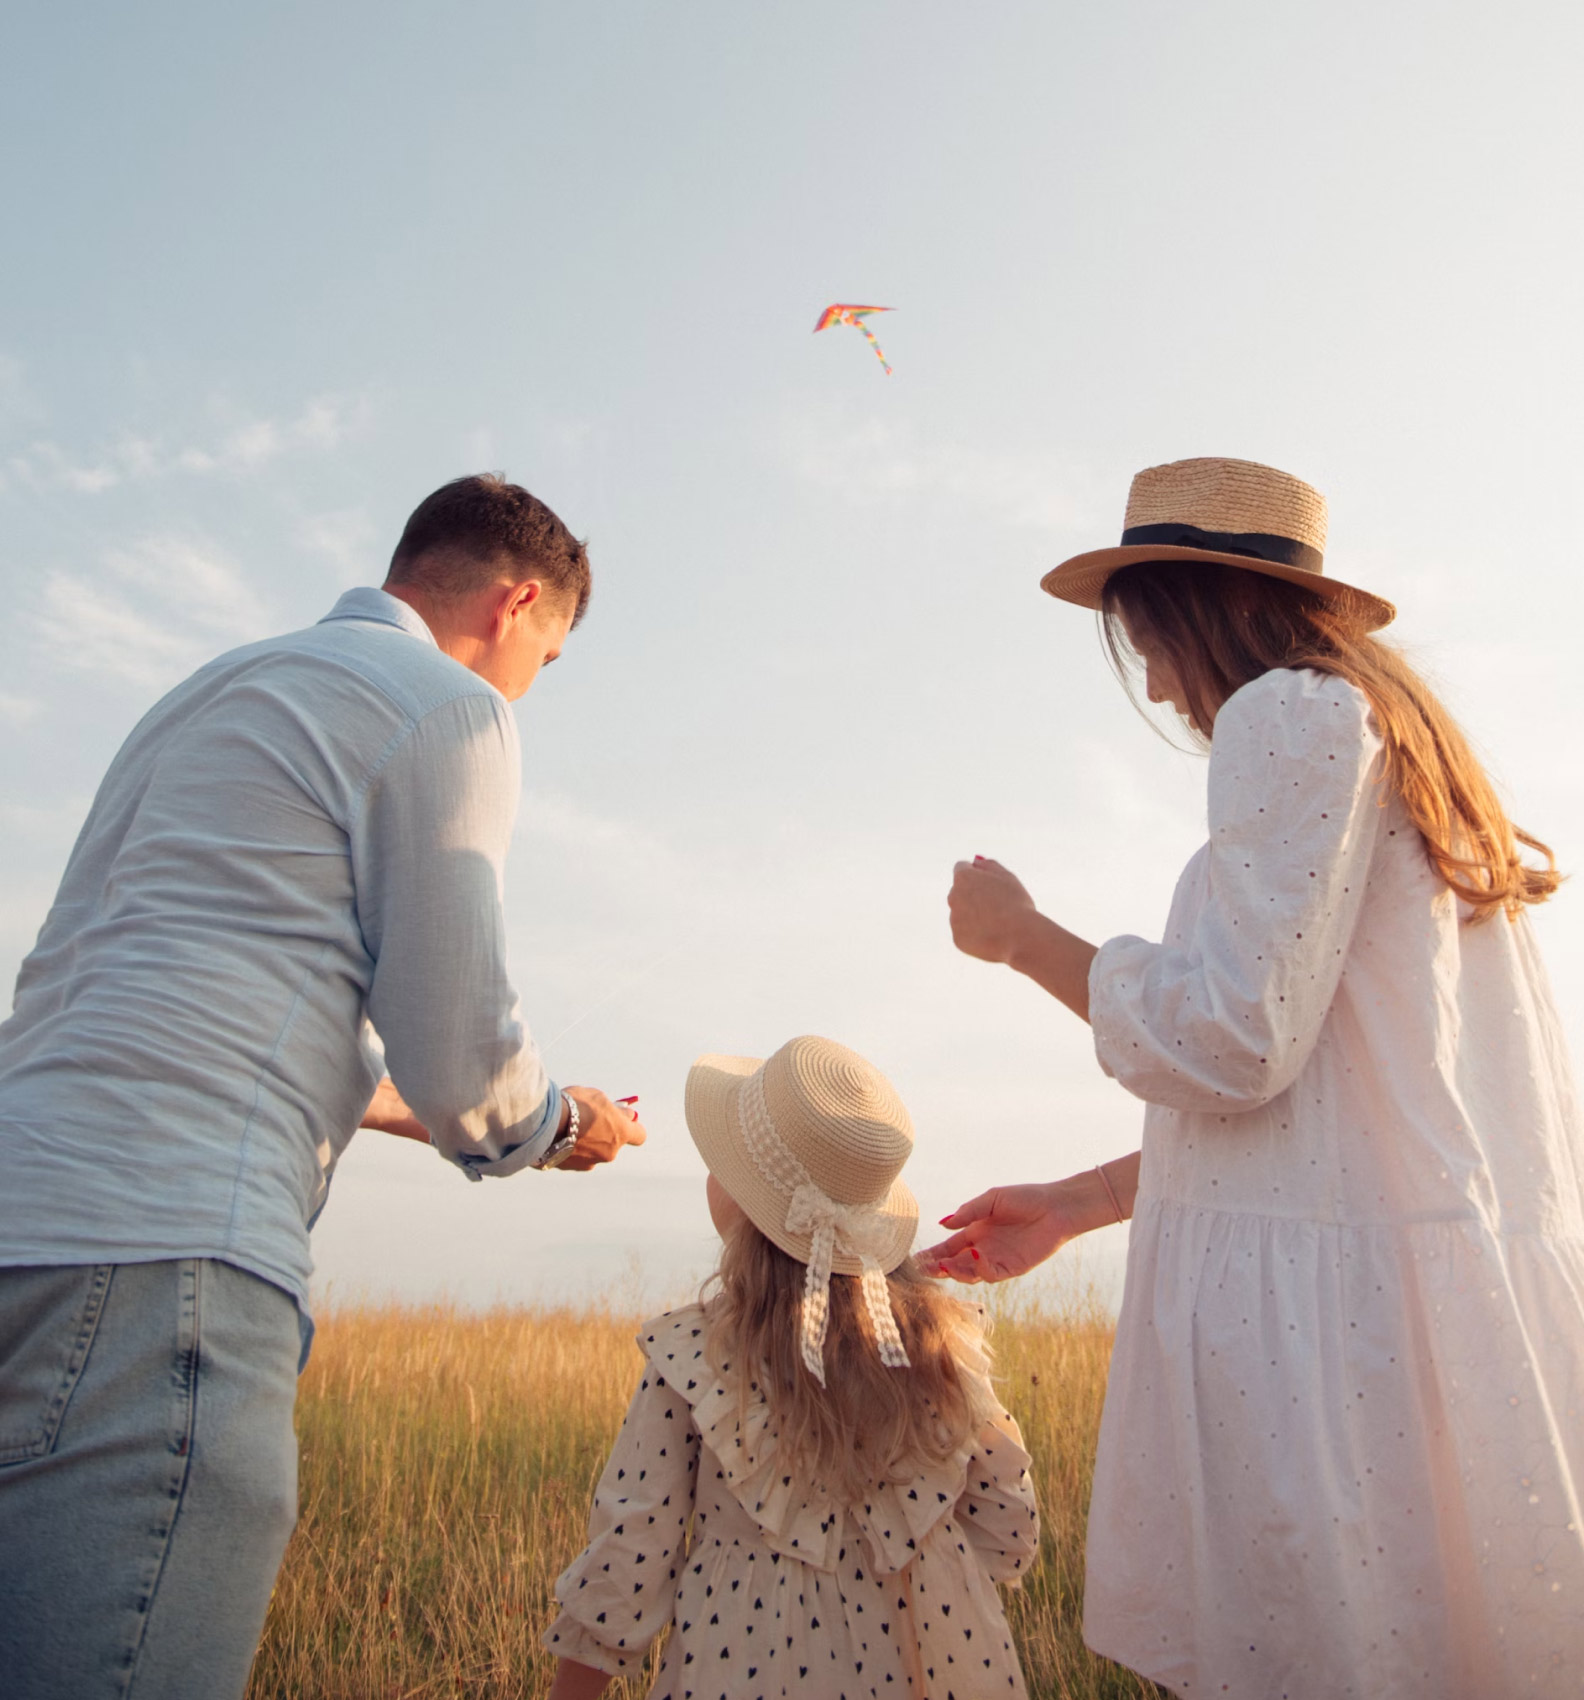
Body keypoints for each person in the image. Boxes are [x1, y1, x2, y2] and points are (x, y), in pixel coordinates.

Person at [922, 456, 1584, 1699]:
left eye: (1144, 641)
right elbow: (1334, 1105)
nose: (1159, 684)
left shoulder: (1287, 714)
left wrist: (1024, 937)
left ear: (1185, 608)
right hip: (1384, 1328)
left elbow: (1237, 1038)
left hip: (1317, 1363)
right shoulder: (1385, 747)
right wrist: (1079, 1199)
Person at [0, 474, 646, 1700]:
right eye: (548, 658)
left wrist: (415, 1110)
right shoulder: (447, 707)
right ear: (517, 605)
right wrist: (563, 1121)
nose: (530, 688)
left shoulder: (202, 696)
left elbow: (202, 1014)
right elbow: (465, 1064)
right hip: (160, 1266)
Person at [544, 1035, 1040, 1700]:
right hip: (943, 1663)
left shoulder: (693, 1355)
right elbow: (1010, 1532)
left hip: (745, 1658)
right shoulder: (946, 1347)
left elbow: (626, 1563)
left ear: (750, 1204)